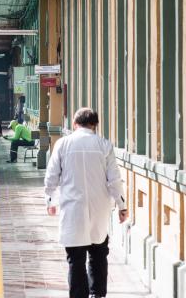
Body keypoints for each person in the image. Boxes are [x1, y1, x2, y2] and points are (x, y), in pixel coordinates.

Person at [44, 108, 128, 298]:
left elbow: (51, 177)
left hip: (73, 210)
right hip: (99, 210)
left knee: (75, 259)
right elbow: (114, 180)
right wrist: (122, 206)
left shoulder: (63, 144)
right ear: (95, 125)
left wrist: (51, 201)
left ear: (75, 124)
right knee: (98, 255)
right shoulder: (104, 145)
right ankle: (97, 294)